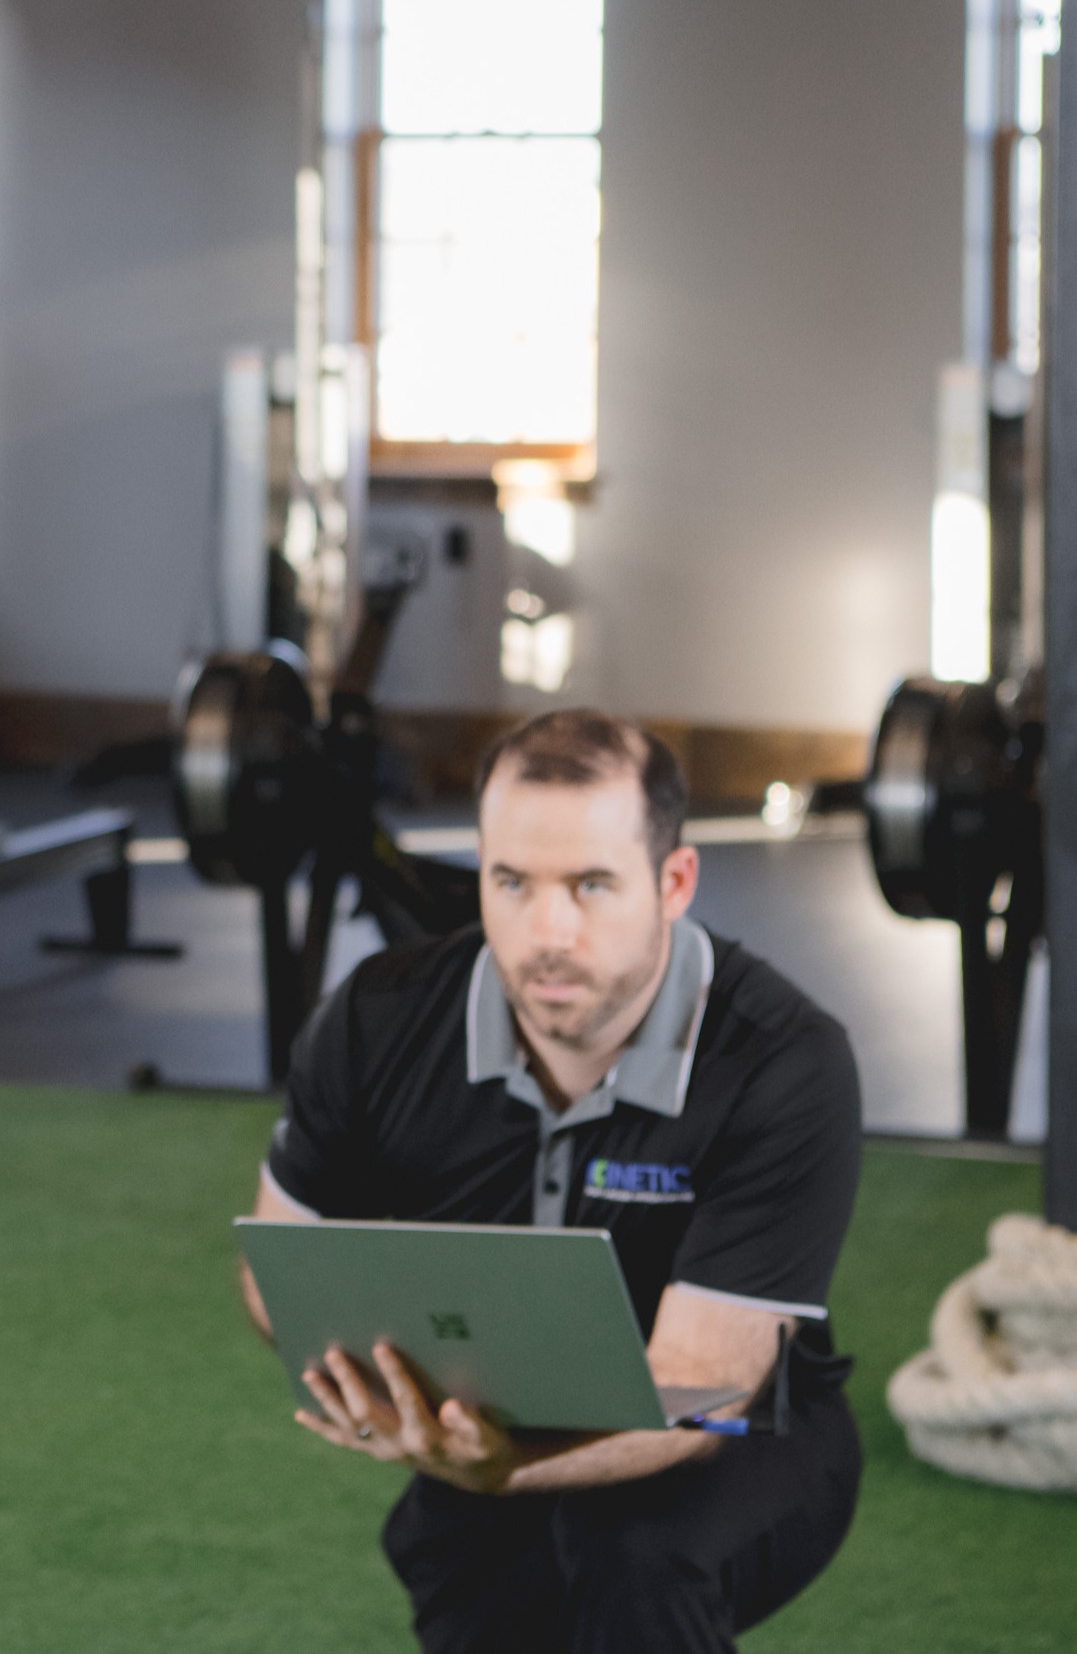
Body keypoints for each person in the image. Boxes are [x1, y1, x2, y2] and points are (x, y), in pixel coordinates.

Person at [239, 708, 864, 1654]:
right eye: (511, 882)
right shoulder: (375, 1019)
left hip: (748, 1432)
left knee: (629, 1551)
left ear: (674, 883)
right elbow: (274, 1266)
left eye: (590, 885)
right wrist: (380, 1384)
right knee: (458, 1560)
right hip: (496, 1410)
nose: (546, 932)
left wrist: (507, 1472)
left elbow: (706, 1386)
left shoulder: (784, 1062)